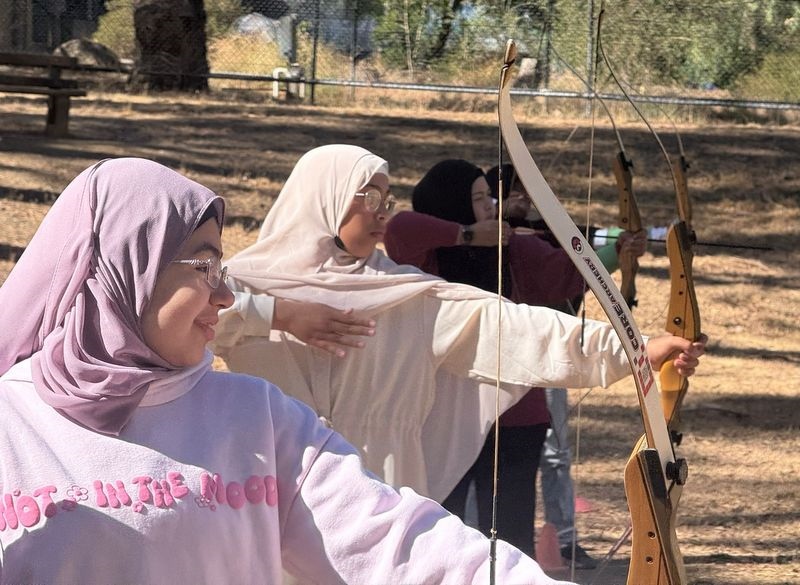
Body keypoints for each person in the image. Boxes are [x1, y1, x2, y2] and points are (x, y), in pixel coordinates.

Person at [0, 157, 582, 585]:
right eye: (202, 265)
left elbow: (398, 542)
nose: (224, 294)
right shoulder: (12, 423)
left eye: (221, 268)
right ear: (125, 267)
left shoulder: (258, 418)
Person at [212, 144, 706, 513]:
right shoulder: (245, 282)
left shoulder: (407, 295)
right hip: (270, 488)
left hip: (378, 491)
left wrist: (636, 348)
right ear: (325, 198)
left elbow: (515, 328)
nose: (382, 212)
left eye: (387, 199)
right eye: (369, 197)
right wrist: (280, 315)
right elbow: (186, 321)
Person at [384, 158, 588, 556]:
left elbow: (570, 271)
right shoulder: (426, 257)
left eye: (490, 198)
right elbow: (399, 229)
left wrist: (617, 250)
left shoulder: (513, 249)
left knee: (511, 537)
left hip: (515, 414)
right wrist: (465, 235)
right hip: (440, 415)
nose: (491, 207)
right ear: (452, 204)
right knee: (443, 528)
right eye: (479, 199)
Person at [486, 162, 647, 569]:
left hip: (545, 354)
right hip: (495, 360)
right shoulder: (482, 237)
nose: (522, 199)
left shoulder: (550, 232)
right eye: (512, 192)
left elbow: (587, 249)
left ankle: (567, 539)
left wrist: (622, 245)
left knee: (555, 452)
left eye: (528, 192)